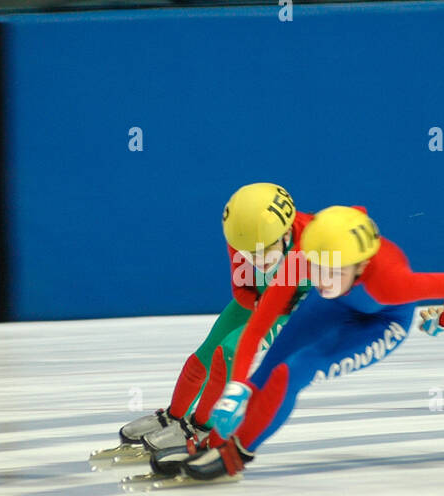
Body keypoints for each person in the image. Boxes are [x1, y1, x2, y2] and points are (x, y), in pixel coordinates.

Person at [168, 205, 444, 481]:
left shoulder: (392, 285)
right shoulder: (305, 259)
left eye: (334, 273)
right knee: (264, 372)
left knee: (296, 370)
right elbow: (256, 328)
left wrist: (442, 321)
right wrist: (237, 387)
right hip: (334, 306)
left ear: (361, 267)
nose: (323, 281)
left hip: (381, 322)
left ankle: (235, 457)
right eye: (316, 270)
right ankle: (217, 444)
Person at [92, 183, 312, 464]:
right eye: (248, 254)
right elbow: (242, 289)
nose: (257, 261)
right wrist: (259, 305)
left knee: (229, 351)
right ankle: (175, 416)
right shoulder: (243, 236)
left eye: (266, 252)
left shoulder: (313, 241)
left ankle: (200, 427)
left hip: (289, 309)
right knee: (205, 354)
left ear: (286, 233)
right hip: (260, 299)